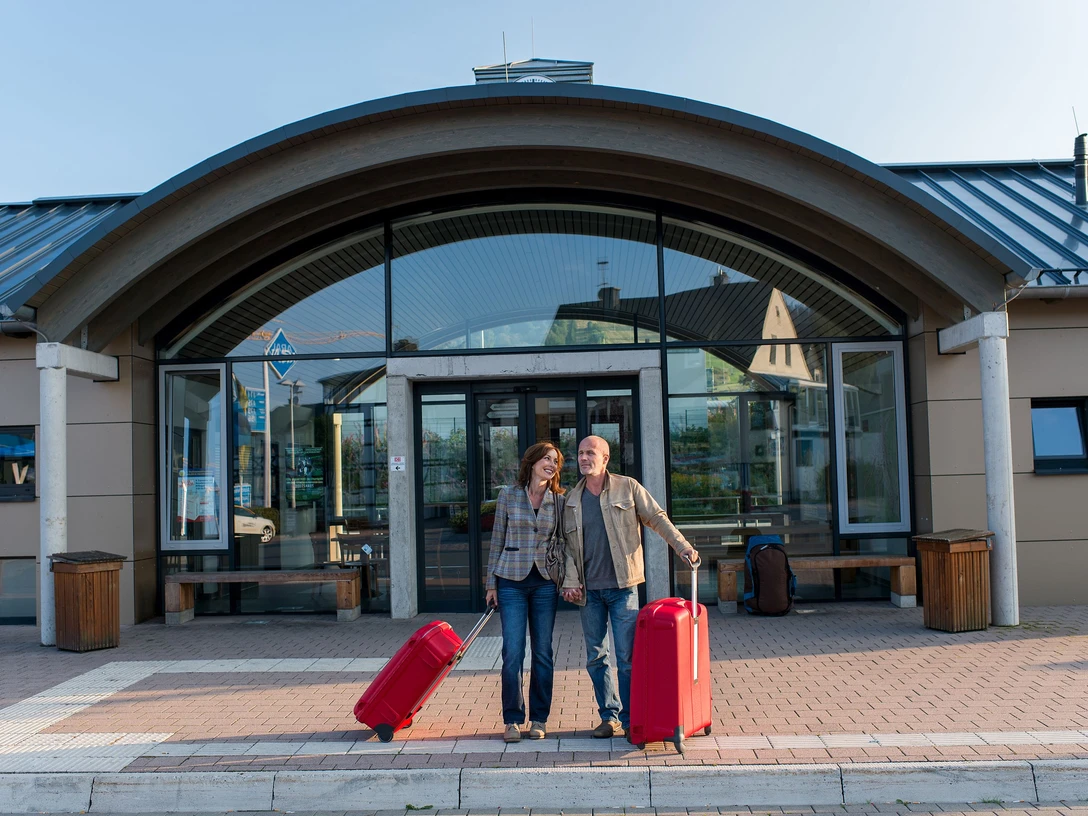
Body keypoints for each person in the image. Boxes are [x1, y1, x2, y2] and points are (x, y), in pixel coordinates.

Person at [561, 435, 698, 740]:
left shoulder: (628, 487)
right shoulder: (571, 499)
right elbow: (566, 548)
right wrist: (570, 580)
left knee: (627, 658)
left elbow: (657, 518)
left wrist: (682, 546)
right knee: (596, 657)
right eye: (581, 453)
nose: (584, 458)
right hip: (589, 593)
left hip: (624, 588)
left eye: (590, 453)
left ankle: (632, 718)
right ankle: (608, 716)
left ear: (605, 458)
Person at [484, 441, 566, 743]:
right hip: (510, 580)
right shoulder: (508, 495)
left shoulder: (559, 499)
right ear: (531, 462)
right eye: (546, 458)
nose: (551, 464)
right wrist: (490, 583)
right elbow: (496, 540)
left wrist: (566, 577)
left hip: (545, 581)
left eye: (555, 461)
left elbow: (564, 542)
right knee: (512, 652)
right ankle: (513, 720)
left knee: (543, 652)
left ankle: (539, 718)